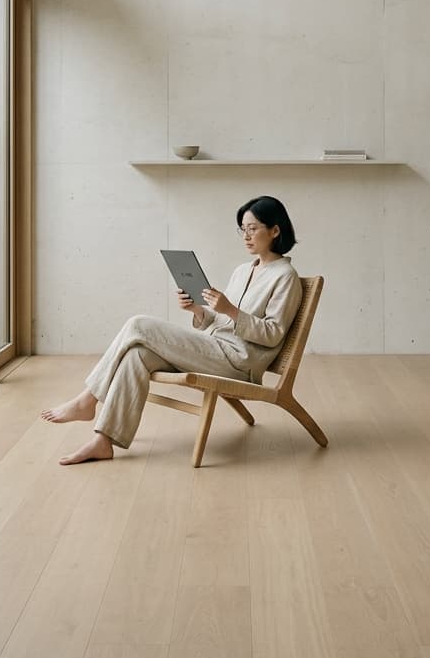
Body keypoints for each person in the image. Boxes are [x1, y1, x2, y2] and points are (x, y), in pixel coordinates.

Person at [41, 195, 303, 465]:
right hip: (213, 349)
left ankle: (87, 400)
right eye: (243, 229)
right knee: (138, 355)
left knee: (138, 324)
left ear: (275, 230)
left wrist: (230, 310)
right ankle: (103, 441)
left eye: (253, 228)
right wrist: (199, 312)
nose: (246, 236)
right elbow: (221, 322)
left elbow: (273, 333)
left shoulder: (286, 277)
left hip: (237, 362)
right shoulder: (242, 271)